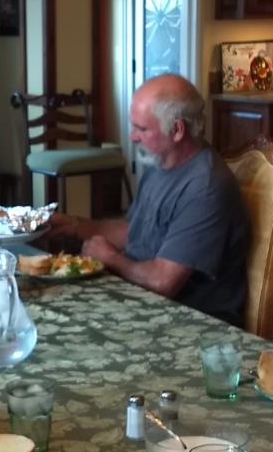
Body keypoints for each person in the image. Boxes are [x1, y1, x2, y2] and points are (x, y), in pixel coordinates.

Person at [52, 74, 249, 326]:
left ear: (177, 130)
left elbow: (162, 282)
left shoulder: (205, 187)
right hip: (142, 303)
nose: (133, 137)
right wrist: (71, 225)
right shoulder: (160, 163)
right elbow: (134, 230)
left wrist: (112, 258)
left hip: (191, 323)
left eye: (142, 129)